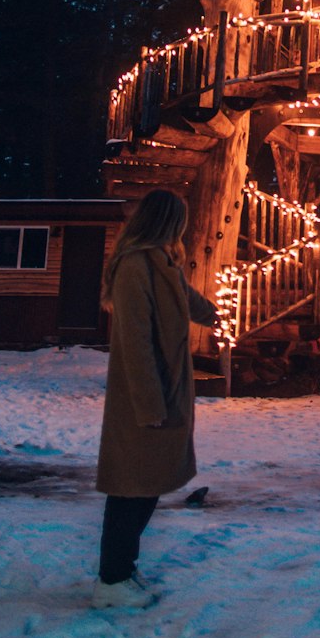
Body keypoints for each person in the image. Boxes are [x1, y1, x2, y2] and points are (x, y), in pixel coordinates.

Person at [92, 189, 217, 609]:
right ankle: (111, 580)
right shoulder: (134, 267)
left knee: (147, 487)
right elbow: (136, 341)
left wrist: (216, 314)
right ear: (165, 221)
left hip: (166, 388)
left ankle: (122, 571)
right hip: (142, 395)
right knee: (130, 487)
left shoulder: (163, 262)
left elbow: (189, 301)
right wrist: (150, 405)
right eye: (180, 219)